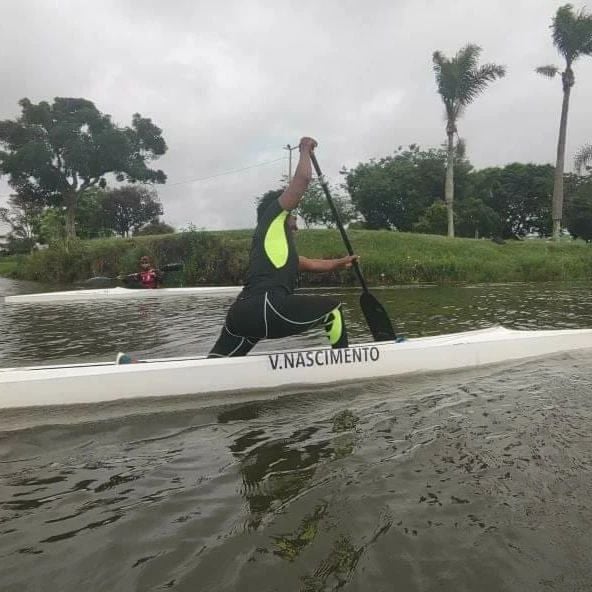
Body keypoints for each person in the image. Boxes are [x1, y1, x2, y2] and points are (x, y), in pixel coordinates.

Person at [208, 136, 358, 358]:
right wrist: (305, 149)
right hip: (268, 308)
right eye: (293, 218)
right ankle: (345, 364)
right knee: (333, 310)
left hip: (242, 314)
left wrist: (341, 262)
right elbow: (302, 181)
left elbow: (311, 264)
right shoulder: (273, 219)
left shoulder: (272, 247)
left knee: (214, 367)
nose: (295, 225)